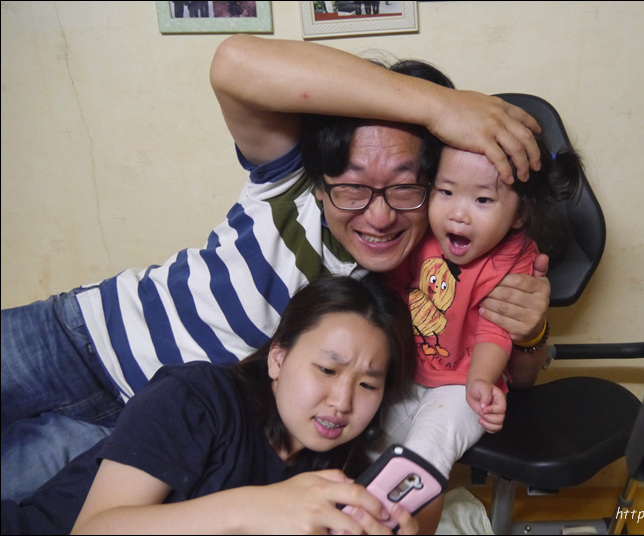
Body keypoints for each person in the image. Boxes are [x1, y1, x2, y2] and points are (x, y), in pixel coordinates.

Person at [1, 35, 549, 508]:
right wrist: (440, 106)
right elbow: (234, 64)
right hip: (79, 335)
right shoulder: (292, 184)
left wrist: (529, 332)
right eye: (353, 185)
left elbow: (508, 378)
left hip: (147, 427)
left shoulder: (430, 277)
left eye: (407, 187)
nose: (379, 215)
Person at [1, 275, 421, 535]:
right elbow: (94, 530)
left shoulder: (335, 480)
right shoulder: (197, 397)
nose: (342, 402)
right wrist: (255, 508)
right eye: (327, 370)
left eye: (368, 384)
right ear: (278, 359)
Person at [378, 139, 583, 496]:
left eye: (483, 200)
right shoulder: (419, 234)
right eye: (446, 192)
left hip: (463, 384)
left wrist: (482, 381)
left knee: (426, 452)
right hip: (406, 373)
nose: (458, 213)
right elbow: (392, 295)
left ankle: (394, 514)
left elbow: (495, 328)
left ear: (520, 214)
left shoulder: (516, 256)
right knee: (369, 447)